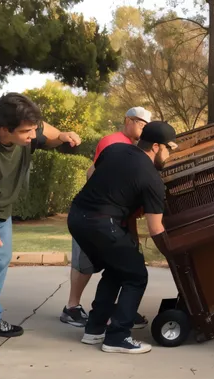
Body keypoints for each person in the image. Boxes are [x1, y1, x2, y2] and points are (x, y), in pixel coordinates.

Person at [0, 93, 82, 370]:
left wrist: (61, 135)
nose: (32, 136)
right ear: (4, 129)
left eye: (32, 129)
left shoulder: (25, 126)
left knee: (1, 261)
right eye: (26, 132)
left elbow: (45, 130)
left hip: (1, 210)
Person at [67, 121, 177, 354]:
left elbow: (91, 173)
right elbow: (156, 228)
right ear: (156, 147)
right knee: (136, 275)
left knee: (117, 270)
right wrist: (174, 255)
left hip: (77, 217)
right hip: (103, 224)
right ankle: (118, 337)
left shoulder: (114, 149)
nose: (169, 155)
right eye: (169, 149)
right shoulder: (152, 178)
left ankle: (94, 329)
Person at [60, 107, 152, 329]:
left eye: (147, 125)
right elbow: (94, 173)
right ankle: (72, 307)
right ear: (127, 120)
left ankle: (119, 310)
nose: (143, 128)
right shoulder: (113, 141)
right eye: (140, 123)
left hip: (111, 216)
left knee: (117, 265)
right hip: (95, 214)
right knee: (84, 263)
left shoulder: (135, 148)